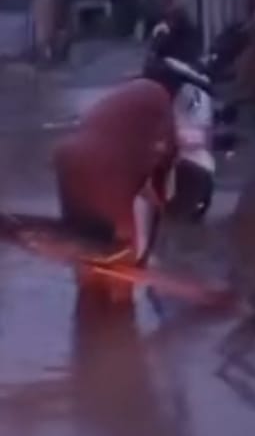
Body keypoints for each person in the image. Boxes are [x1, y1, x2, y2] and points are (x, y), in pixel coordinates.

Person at [52, 77, 178, 300]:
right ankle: (119, 320)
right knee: (119, 252)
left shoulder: (129, 102)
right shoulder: (162, 108)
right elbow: (160, 184)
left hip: (68, 157)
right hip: (102, 164)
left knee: (86, 246)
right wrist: (144, 255)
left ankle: (89, 306)